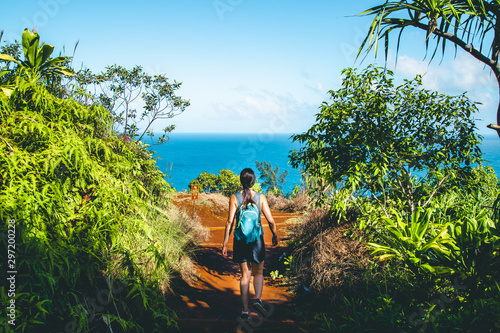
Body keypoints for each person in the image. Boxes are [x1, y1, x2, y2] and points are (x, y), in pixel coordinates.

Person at [222, 168, 279, 321]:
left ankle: (245, 311)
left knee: (245, 276)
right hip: (256, 241)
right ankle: (258, 300)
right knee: (258, 273)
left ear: (241, 181)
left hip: (240, 242)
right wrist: (274, 235)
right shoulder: (261, 197)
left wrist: (225, 243)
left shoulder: (234, 198)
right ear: (253, 181)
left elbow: (230, 222)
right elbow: (271, 220)